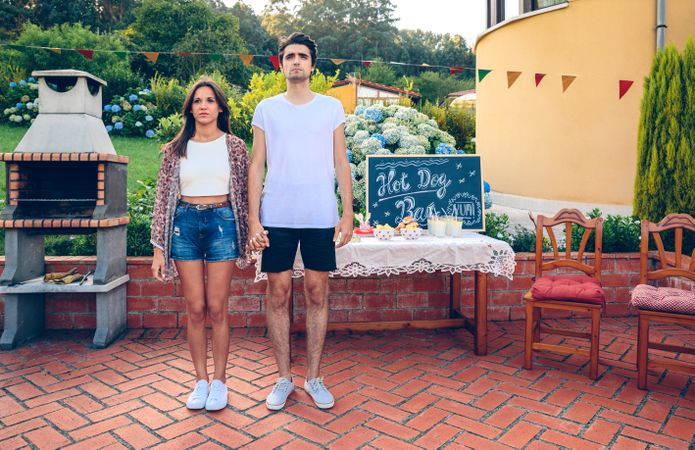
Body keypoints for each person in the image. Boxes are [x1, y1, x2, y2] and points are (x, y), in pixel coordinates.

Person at [248, 32, 353, 411]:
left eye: (302, 56)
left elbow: (342, 162)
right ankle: (283, 378)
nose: (296, 61)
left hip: (319, 215)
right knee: (277, 294)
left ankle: (314, 377)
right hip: (276, 216)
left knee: (316, 293)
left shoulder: (330, 108)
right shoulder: (267, 108)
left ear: (312, 65)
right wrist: (252, 217)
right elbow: (256, 163)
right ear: (281, 63)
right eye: (289, 55)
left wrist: (346, 212)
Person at [150, 78, 250, 411]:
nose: (203, 106)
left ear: (220, 107)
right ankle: (200, 381)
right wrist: (158, 249)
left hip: (222, 223)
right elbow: (162, 198)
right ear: (190, 108)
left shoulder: (234, 147)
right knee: (195, 309)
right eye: (197, 101)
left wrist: (251, 230)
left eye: (210, 100)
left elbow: (246, 192)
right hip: (185, 225)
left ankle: (220, 382)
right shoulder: (175, 149)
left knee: (218, 308)